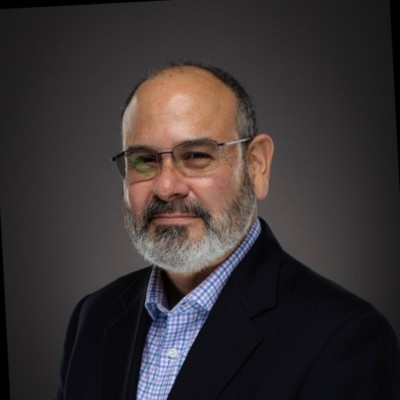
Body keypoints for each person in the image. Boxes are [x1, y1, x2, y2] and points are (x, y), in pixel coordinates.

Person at [55, 60, 400, 400]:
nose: (166, 187)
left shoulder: (345, 337)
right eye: (144, 160)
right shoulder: (93, 317)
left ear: (257, 165)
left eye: (196, 156)